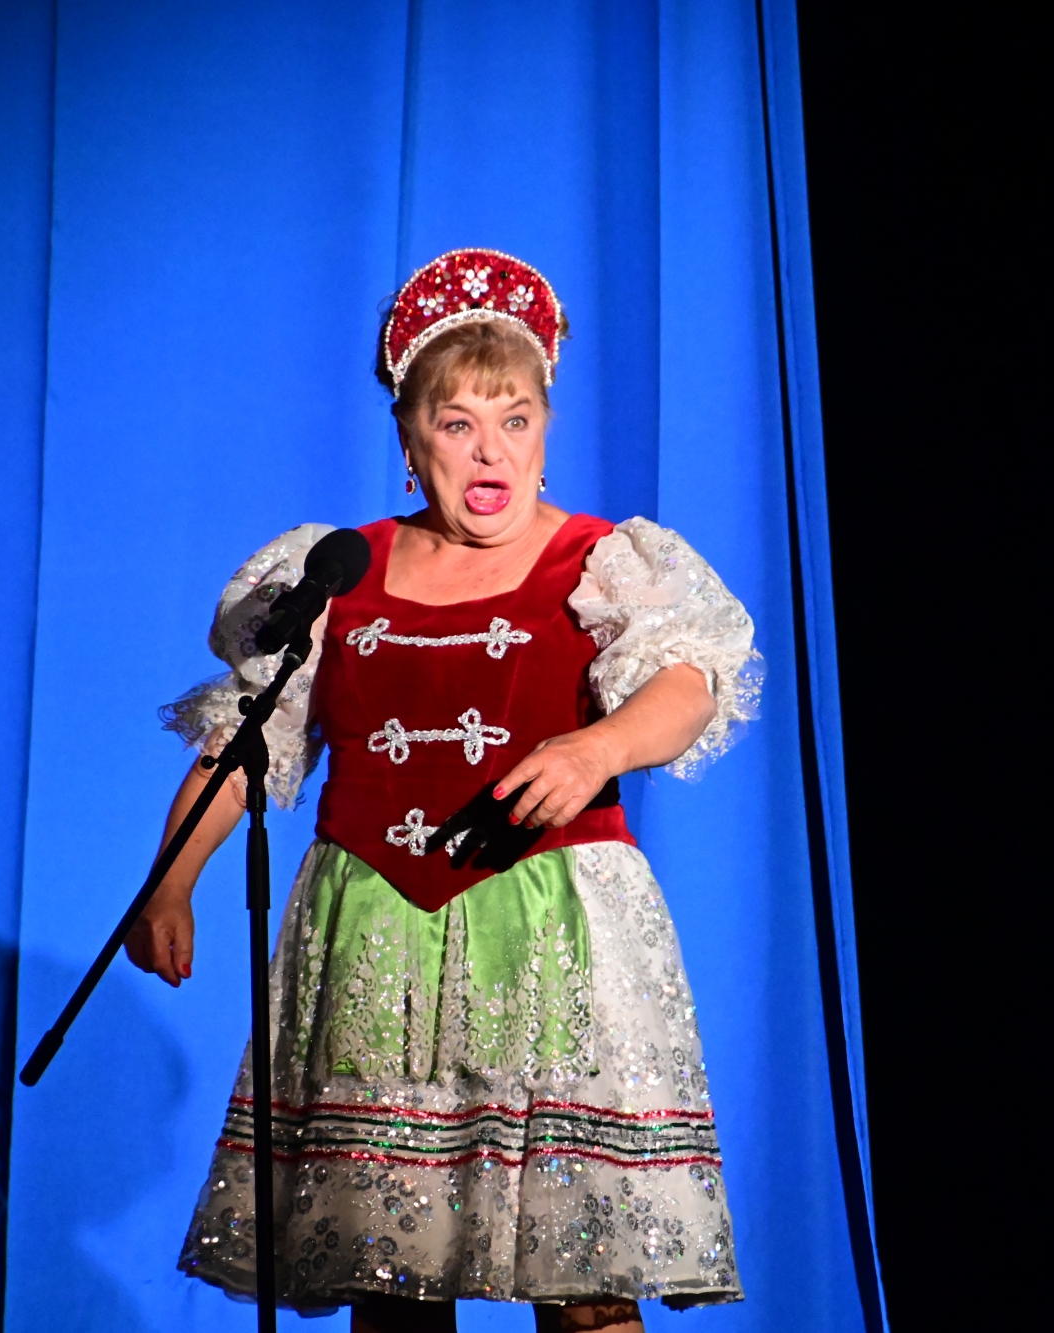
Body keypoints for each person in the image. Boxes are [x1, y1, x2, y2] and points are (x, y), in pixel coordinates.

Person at [127, 249, 758, 1333]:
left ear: (545, 431)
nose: (489, 447)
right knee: (394, 1280)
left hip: (554, 934)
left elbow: (687, 685)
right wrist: (170, 882)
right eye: (457, 422)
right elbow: (246, 742)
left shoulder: (602, 561)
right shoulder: (334, 573)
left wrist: (597, 748)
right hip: (375, 937)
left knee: (584, 1288)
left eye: (514, 419)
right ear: (410, 440)